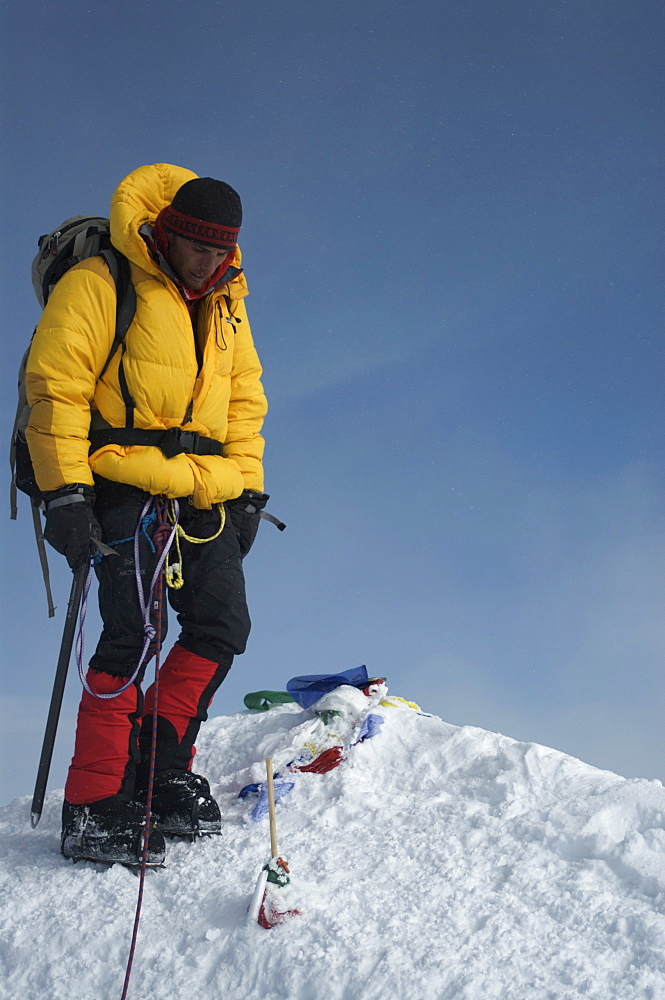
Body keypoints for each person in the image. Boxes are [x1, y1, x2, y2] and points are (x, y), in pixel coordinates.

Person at [25, 163, 268, 866]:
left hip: (206, 487)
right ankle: (96, 803)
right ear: (168, 234)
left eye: (224, 251)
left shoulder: (226, 301)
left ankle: (157, 772)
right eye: (200, 248)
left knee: (221, 625)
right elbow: (57, 388)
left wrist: (248, 490)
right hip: (120, 480)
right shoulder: (104, 280)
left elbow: (244, 402)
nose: (212, 261)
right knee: (134, 630)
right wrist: (65, 493)